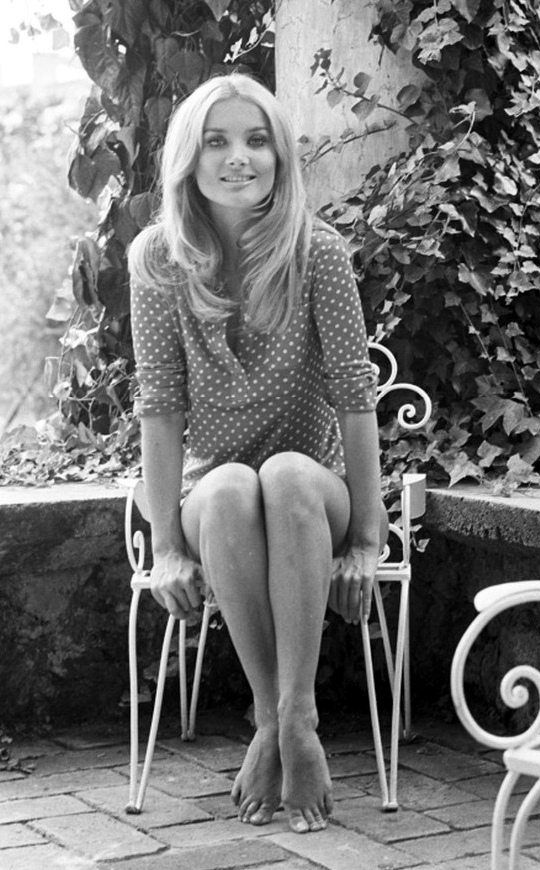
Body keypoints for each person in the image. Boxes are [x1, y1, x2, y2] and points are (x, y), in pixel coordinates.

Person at [128, 71, 387, 835]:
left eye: (256, 141)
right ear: (189, 157)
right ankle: (277, 724)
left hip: (313, 497)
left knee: (284, 475)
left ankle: (295, 716)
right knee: (234, 485)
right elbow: (160, 409)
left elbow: (355, 396)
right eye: (217, 141)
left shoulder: (319, 253)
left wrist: (366, 537)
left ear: (279, 157)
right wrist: (166, 546)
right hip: (216, 504)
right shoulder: (158, 260)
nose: (238, 157)